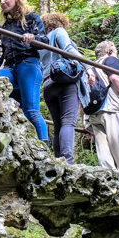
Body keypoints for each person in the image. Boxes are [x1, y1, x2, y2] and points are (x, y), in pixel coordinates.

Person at [0, 0, 49, 140]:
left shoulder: (31, 18)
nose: (2, 2)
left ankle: (45, 149)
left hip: (28, 64)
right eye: (0, 0)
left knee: (30, 111)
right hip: (10, 67)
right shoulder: (3, 27)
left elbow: (45, 39)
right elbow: (1, 54)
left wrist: (33, 38)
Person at [83, 40, 119, 171]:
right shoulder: (110, 60)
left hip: (93, 114)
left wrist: (84, 120)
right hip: (113, 111)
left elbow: (82, 96)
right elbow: (116, 79)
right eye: (115, 53)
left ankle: (109, 182)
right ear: (109, 51)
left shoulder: (90, 68)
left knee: (104, 154)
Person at [40, 13, 80, 164]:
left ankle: (58, 162)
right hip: (64, 80)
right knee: (68, 122)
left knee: (58, 126)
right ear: (60, 22)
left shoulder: (42, 41)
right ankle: (68, 162)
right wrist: (89, 66)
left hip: (48, 84)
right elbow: (68, 49)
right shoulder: (59, 31)